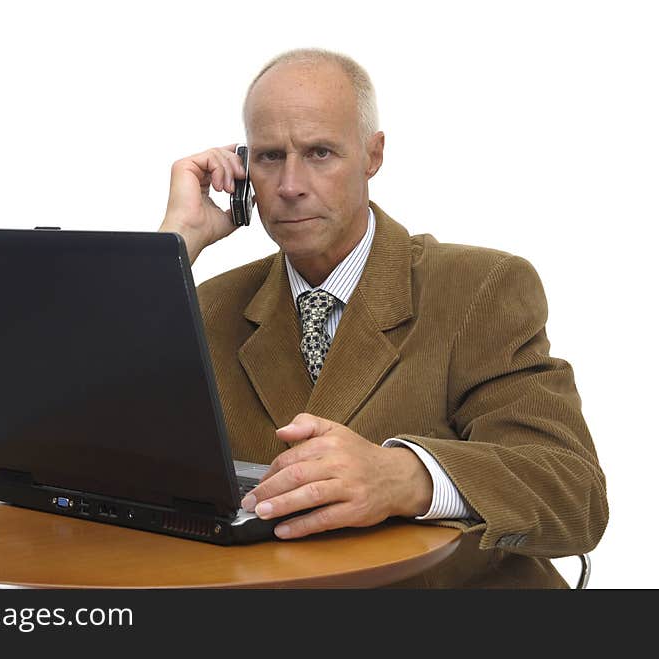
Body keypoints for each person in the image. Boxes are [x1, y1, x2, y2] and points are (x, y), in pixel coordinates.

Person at [158, 48, 608, 588]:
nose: (291, 184)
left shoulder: (479, 288)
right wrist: (172, 247)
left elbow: (572, 493)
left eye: (320, 152)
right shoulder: (212, 304)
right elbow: (94, 457)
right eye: (270, 156)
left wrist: (407, 477)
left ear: (373, 155)